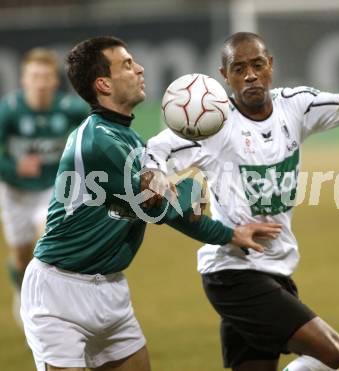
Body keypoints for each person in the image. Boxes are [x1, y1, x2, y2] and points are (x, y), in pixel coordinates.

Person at [144, 32, 339, 371]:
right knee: (329, 351)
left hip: (276, 265)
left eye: (257, 64)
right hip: (232, 271)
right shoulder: (213, 124)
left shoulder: (294, 105)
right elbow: (155, 150)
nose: (250, 75)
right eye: (239, 69)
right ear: (225, 76)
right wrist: (154, 175)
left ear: (271, 65)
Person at [19, 36, 280, 371]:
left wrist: (229, 234)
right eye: (127, 64)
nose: (140, 68)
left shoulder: (129, 139)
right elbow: (156, 206)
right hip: (59, 293)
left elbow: (170, 209)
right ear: (103, 83)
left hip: (111, 288)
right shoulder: (97, 141)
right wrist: (188, 189)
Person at [0, 47, 88, 325]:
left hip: (51, 190)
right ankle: (20, 287)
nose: (40, 82)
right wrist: (15, 167)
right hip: (14, 192)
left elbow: (94, 135)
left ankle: (49, 311)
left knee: (47, 245)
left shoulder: (71, 110)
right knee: (21, 256)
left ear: (54, 81)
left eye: (45, 77)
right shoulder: (9, 111)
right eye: (34, 76)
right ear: (23, 80)